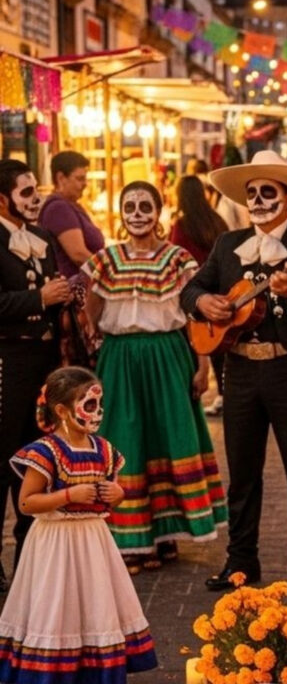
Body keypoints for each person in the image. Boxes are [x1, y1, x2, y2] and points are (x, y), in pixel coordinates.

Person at [180, 150, 287, 597]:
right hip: (241, 370)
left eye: (268, 191)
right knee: (243, 473)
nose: (259, 199)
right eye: (252, 193)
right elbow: (192, 288)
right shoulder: (228, 245)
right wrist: (201, 304)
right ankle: (240, 562)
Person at [83, 181, 227, 573]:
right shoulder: (107, 260)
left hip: (167, 356)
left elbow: (194, 316)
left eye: (145, 205)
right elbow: (91, 312)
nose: (137, 213)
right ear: (121, 212)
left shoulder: (177, 259)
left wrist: (201, 366)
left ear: (159, 211)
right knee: (126, 440)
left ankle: (164, 536)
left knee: (169, 438)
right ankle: (133, 541)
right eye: (129, 206)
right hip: (121, 358)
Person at [0, 367, 157, 681]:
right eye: (88, 405)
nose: (97, 412)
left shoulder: (104, 450)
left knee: (93, 602)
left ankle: (92, 667)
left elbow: (111, 494)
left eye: (99, 405)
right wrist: (67, 494)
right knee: (56, 604)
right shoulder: (45, 452)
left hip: (93, 542)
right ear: (61, 410)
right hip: (55, 543)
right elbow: (27, 502)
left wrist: (118, 493)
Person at [0, 160, 70, 591]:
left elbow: (50, 297)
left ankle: (30, 554)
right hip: (7, 363)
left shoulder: (43, 237)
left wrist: (64, 300)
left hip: (44, 366)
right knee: (1, 461)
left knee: (37, 461)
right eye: (26, 192)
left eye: (35, 189)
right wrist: (38, 297)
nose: (35, 198)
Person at [170, 176, 229, 417]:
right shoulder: (216, 220)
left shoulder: (182, 225)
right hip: (221, 289)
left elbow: (176, 258)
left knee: (200, 345)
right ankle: (227, 394)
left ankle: (199, 392)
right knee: (222, 347)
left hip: (195, 292)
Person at [38, 151, 105, 279]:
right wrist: (110, 273)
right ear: (61, 178)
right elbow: (78, 254)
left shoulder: (71, 205)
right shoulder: (59, 208)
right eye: (80, 179)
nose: (85, 184)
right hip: (73, 289)